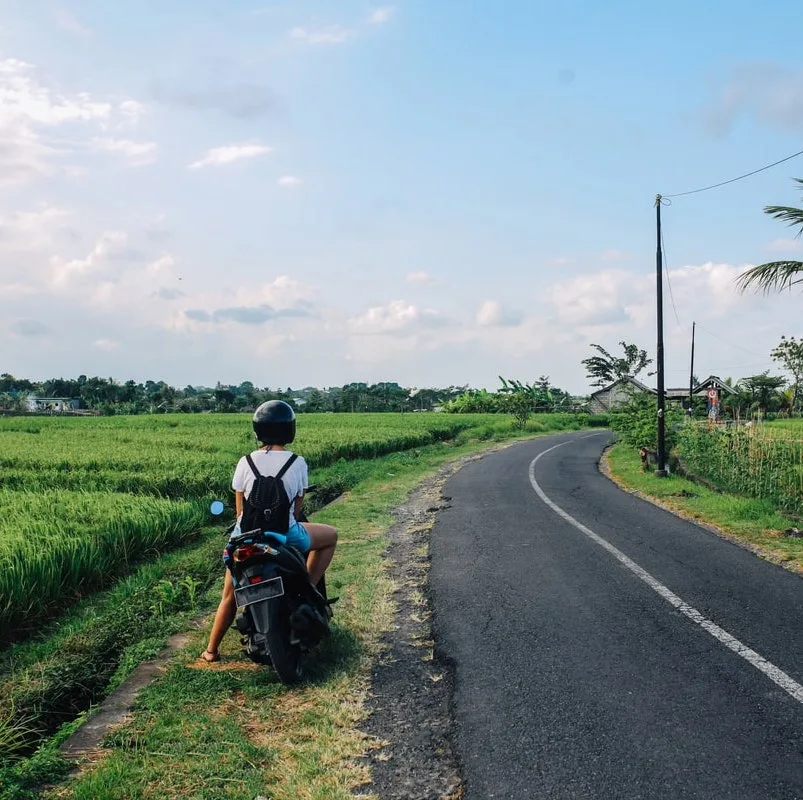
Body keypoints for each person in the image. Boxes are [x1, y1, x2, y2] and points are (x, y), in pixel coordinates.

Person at [200, 400, 337, 663]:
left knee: (229, 595)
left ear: (258, 430)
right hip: (283, 535)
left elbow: (240, 510)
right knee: (330, 537)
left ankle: (211, 651)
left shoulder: (245, 461)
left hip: (244, 539)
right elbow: (296, 511)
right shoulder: (297, 462)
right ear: (290, 430)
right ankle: (307, 588)